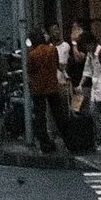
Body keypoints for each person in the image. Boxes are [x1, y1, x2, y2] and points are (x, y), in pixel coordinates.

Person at [25, 24, 66, 158]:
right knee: (58, 114)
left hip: (38, 88)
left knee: (40, 116)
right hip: (52, 85)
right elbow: (56, 64)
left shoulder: (32, 54)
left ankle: (44, 142)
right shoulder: (52, 50)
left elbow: (30, 70)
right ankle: (67, 138)